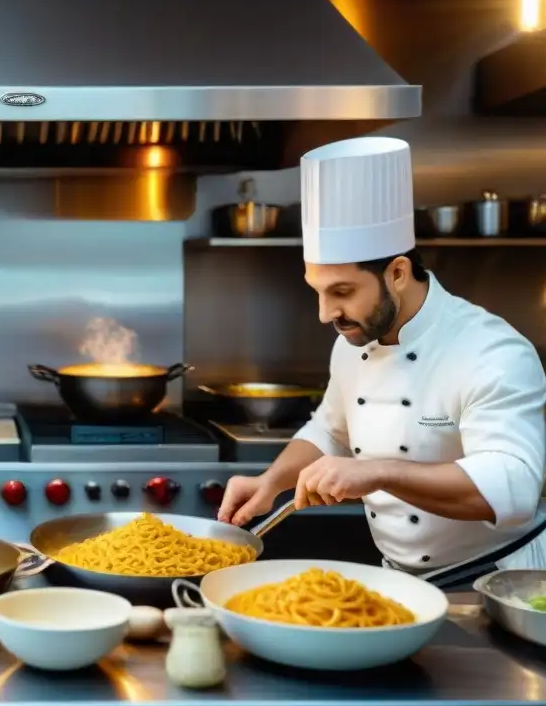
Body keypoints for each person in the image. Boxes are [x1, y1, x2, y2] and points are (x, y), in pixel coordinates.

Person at [218, 136, 546, 583]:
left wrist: (377, 472)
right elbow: (330, 431)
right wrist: (270, 482)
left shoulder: (491, 353)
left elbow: (513, 489)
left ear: (397, 273)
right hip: (402, 580)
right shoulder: (353, 341)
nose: (325, 314)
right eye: (317, 291)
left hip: (501, 582)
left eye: (342, 292)